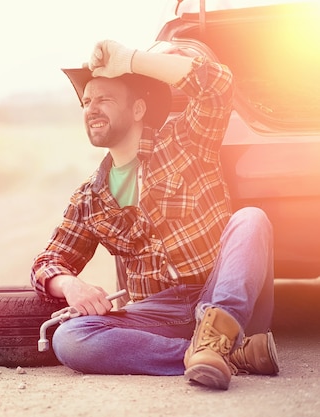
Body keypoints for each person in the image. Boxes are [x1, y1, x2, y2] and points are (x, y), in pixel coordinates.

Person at [30, 40, 279, 390]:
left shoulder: (184, 142)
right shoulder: (90, 198)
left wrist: (128, 60)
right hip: (159, 313)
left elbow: (216, 85)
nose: (91, 108)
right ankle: (216, 354)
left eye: (104, 99)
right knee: (70, 338)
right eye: (87, 102)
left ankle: (220, 337)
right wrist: (71, 285)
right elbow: (48, 261)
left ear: (138, 110)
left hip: (219, 293)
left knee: (251, 219)